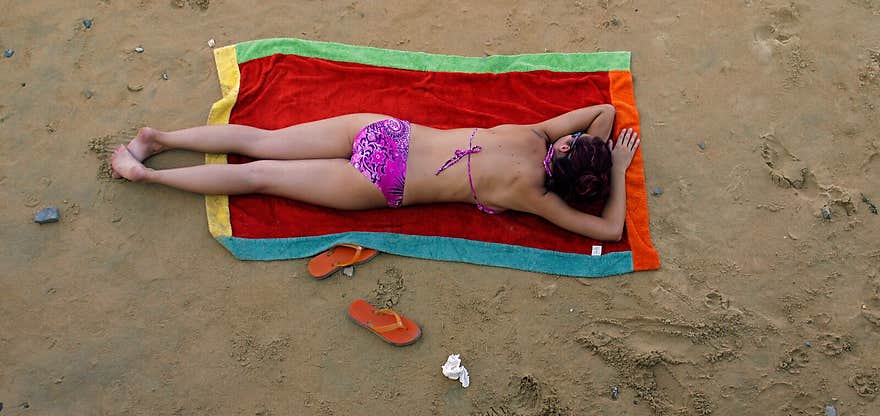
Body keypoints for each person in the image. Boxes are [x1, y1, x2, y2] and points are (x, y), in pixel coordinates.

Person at [110, 104, 640, 242]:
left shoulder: (533, 133)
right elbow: (609, 230)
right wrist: (612, 172)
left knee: (261, 142)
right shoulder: (537, 196)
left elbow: (602, 113)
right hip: (385, 183)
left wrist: (603, 152)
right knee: (260, 177)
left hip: (386, 134)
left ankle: (160, 140)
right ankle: (149, 176)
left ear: (567, 144)